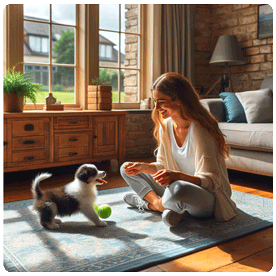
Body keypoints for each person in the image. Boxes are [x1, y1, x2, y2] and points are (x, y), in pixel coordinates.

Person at [120, 72, 237, 227]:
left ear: (180, 99)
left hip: (208, 198)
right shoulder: (166, 125)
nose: (156, 108)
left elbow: (211, 181)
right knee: (125, 168)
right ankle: (160, 205)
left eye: (161, 101)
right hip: (175, 187)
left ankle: (156, 205)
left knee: (178, 188)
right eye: (155, 101)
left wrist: (178, 176)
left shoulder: (200, 129)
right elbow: (162, 166)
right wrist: (142, 167)